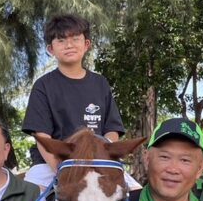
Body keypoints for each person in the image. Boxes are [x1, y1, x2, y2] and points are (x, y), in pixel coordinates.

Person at [21, 14, 137, 189]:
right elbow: (42, 137)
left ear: (86, 44)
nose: (69, 45)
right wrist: (61, 170)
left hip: (98, 162)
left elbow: (112, 130)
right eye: (61, 40)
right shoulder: (43, 86)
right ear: (50, 49)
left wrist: (102, 159)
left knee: (136, 195)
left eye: (75, 39)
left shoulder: (100, 83)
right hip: (52, 165)